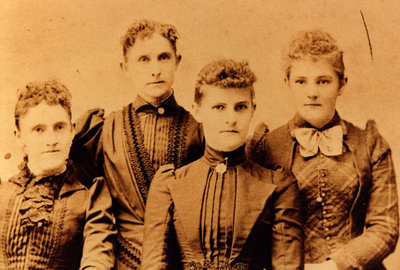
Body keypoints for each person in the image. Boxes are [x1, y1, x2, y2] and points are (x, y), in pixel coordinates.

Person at [248, 30, 399, 270]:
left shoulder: (370, 144)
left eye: (323, 81)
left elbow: (386, 227)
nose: (312, 92)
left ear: (342, 84)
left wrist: (334, 266)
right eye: (301, 81)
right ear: (287, 83)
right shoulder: (263, 147)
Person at [142, 59, 303, 270]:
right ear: (197, 111)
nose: (231, 118)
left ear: (252, 110)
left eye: (240, 107)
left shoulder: (278, 185)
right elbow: (154, 265)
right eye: (219, 107)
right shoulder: (170, 183)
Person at [70, 19, 204, 269]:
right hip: (120, 261)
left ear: (178, 61)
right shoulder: (104, 131)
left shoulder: (198, 131)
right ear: (125, 67)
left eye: (163, 57)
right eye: (144, 59)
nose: (155, 69)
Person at [0, 80, 116, 269]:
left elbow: (98, 258)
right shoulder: (3, 192)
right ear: (19, 136)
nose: (51, 140)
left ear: (71, 130)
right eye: (38, 130)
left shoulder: (90, 198)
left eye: (59, 127)